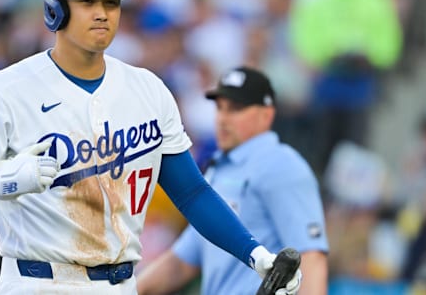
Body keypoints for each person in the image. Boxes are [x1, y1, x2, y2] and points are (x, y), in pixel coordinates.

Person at [0, 0, 302, 295]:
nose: (102, 12)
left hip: (121, 284)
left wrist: (255, 255)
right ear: (57, 8)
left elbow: (191, 192)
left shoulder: (148, 90)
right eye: (87, 0)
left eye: (111, 1)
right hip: (38, 282)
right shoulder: (4, 91)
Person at [137, 66, 329, 295]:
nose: (223, 119)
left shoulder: (282, 165)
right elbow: (181, 262)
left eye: (236, 109)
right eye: (220, 108)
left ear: (266, 114)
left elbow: (311, 256)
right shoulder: (219, 169)